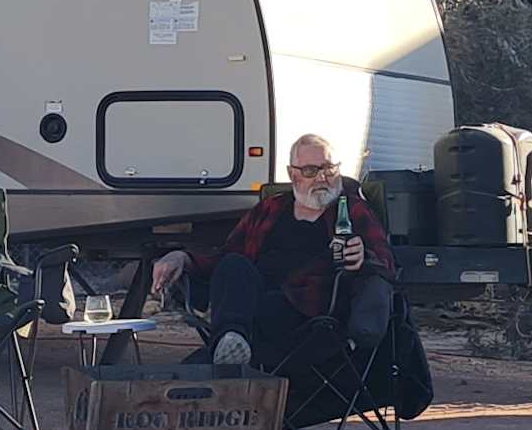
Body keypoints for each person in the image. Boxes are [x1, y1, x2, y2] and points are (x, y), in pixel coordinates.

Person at [147, 133, 393, 372]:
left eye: (328, 168)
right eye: (310, 171)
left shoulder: (350, 210)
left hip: (308, 311)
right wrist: (182, 257)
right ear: (292, 174)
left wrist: (364, 256)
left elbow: (385, 260)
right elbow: (226, 256)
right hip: (253, 299)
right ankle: (231, 344)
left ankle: (228, 348)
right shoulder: (271, 207)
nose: (321, 178)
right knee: (234, 264)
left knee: (207, 355)